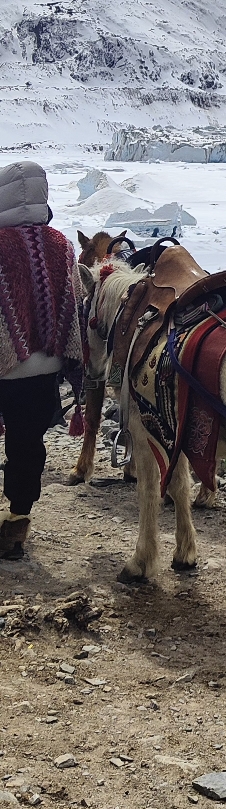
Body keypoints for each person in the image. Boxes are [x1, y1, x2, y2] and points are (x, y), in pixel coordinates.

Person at [0, 161, 84, 558]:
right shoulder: (62, 244)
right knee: (27, 443)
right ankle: (17, 525)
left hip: (3, 365)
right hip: (44, 366)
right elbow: (76, 301)